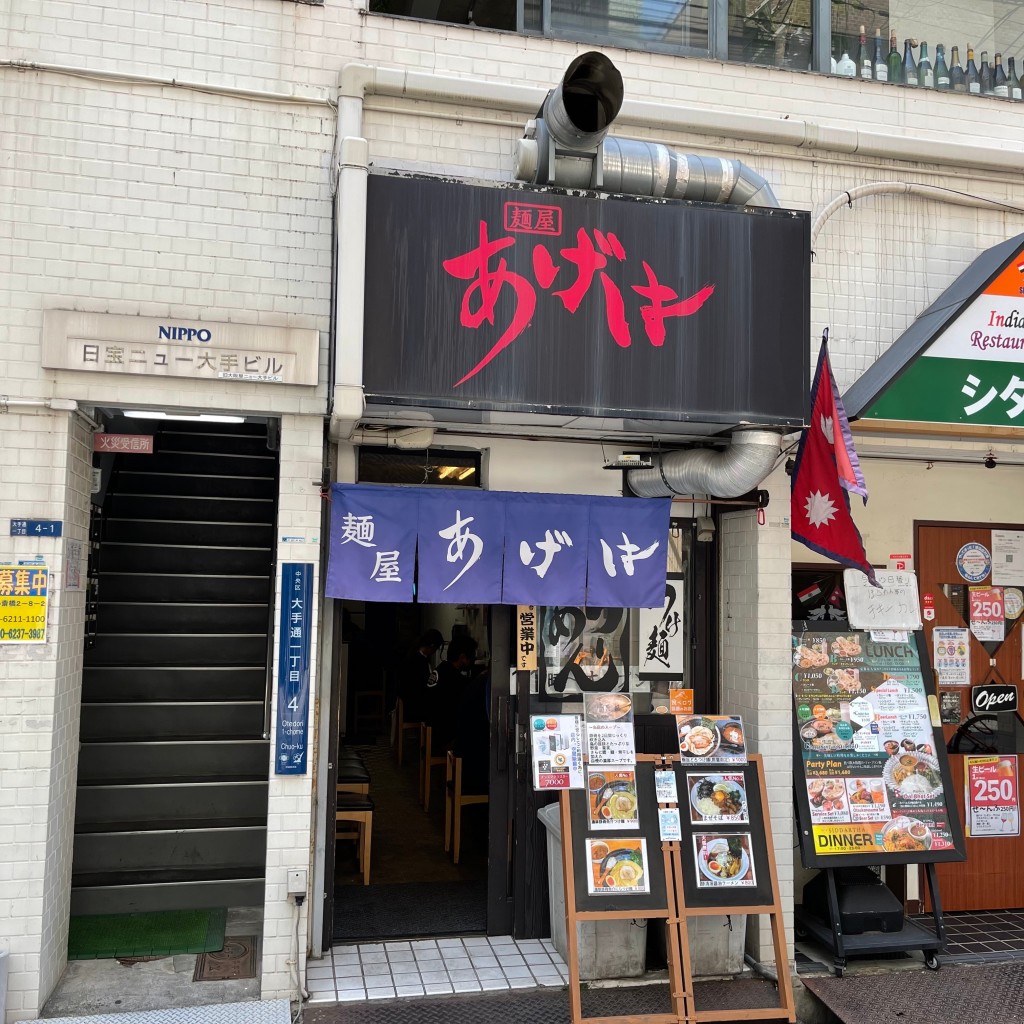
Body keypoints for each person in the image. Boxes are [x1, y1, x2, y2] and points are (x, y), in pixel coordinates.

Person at [425, 635, 477, 750]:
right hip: (443, 739)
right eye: (472, 656)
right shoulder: (454, 679)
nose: (473, 660)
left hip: (431, 734)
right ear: (462, 657)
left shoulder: (440, 669)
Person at [396, 629, 443, 723]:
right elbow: (422, 685)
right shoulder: (418, 660)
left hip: (410, 701)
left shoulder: (415, 655)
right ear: (432, 646)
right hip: (413, 705)